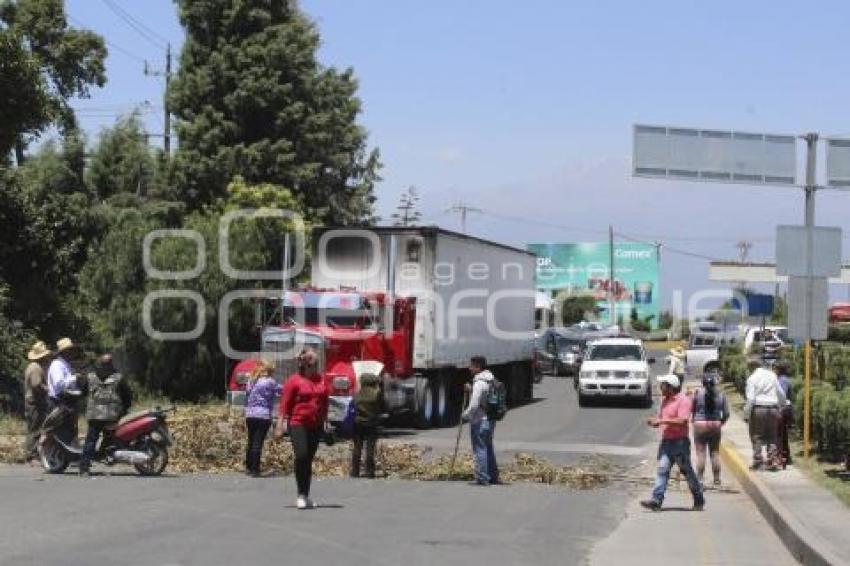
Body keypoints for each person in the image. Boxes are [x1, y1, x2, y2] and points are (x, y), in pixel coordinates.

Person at [274, 348, 329, 510]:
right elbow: (284, 404)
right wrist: (279, 424)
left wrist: (326, 422)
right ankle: (300, 494)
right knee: (302, 455)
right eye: (313, 363)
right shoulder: (294, 381)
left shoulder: (322, 380)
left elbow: (325, 403)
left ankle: (305, 495)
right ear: (305, 365)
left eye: (317, 363)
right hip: (297, 423)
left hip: (316, 425)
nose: (316, 366)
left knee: (308, 461)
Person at [641, 374, 705, 511]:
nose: (660, 388)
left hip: (679, 444)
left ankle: (699, 499)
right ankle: (656, 500)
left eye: (663, 385)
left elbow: (682, 420)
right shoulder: (665, 400)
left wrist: (662, 421)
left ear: (671, 387)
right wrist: (654, 422)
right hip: (666, 442)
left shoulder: (684, 400)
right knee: (662, 470)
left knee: (687, 472)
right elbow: (661, 419)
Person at [78, 354, 133, 476]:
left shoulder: (90, 377)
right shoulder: (119, 378)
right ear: (111, 364)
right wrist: (124, 410)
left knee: (91, 440)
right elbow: (128, 396)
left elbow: (83, 392)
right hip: (112, 415)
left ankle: (84, 468)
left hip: (94, 415)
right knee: (112, 438)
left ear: (99, 363)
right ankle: (106, 457)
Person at [462, 356, 499, 486]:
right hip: (490, 419)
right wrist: (470, 390)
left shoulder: (479, 383)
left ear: (478, 367)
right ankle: (493, 475)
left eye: (471, 365)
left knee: (480, 448)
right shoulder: (491, 380)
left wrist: (465, 415)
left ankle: (482, 477)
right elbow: (485, 397)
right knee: (488, 447)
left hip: (480, 420)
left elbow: (474, 405)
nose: (469, 368)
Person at [745, 361, 786, 471]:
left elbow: (751, 399)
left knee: (757, 436)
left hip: (758, 409)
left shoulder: (752, 378)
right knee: (772, 436)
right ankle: (772, 460)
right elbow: (780, 393)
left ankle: (758, 462)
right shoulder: (772, 375)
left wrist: (746, 413)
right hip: (773, 409)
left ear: (752, 367)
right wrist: (782, 404)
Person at [691, 372, 729, 487]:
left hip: (700, 424)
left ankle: (700, 479)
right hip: (715, 424)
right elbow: (726, 413)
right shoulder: (721, 395)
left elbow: (692, 409)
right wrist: (721, 423)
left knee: (701, 453)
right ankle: (717, 479)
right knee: (715, 452)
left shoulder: (698, 394)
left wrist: (694, 420)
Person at [244, 361, 282, 477]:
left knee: (250, 442)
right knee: (257, 443)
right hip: (263, 415)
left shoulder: (251, 380)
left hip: (250, 415)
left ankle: (249, 467)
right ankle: (256, 470)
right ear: (269, 371)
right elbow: (282, 390)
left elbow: (247, 394)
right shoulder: (270, 382)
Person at [45, 337, 80, 444]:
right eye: (70, 350)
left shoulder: (66, 365)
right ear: (64, 352)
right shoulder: (57, 365)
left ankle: (67, 455)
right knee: (61, 431)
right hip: (58, 402)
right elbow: (59, 384)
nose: (73, 352)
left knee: (69, 430)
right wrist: (75, 378)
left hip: (66, 402)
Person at [350, 373, 384, 479]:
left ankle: (355, 470)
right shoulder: (376, 393)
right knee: (370, 447)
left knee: (357, 447)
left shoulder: (357, 394)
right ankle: (369, 471)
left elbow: (353, 405)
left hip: (358, 423)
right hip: (371, 423)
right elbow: (382, 406)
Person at [24, 341, 52, 463]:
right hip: (35, 402)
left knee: (34, 427)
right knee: (35, 429)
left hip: (32, 401)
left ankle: (32, 453)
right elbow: (36, 385)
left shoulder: (32, 366)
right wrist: (48, 389)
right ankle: (31, 455)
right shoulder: (36, 368)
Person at [775, 362, 794, 466]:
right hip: (786, 409)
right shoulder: (784, 379)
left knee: (778, 434)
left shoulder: (782, 380)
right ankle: (786, 456)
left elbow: (782, 395)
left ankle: (780, 456)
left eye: (775, 369)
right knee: (783, 434)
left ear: (778, 370)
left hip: (783, 409)